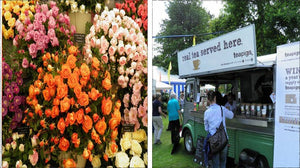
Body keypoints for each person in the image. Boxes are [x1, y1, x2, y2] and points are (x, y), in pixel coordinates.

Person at [204, 90, 234, 168]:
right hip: (224, 140)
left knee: (215, 164)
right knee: (223, 163)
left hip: (214, 142)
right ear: (215, 98)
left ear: (208, 100)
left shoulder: (206, 112)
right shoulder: (222, 109)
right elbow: (231, 115)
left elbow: (206, 128)